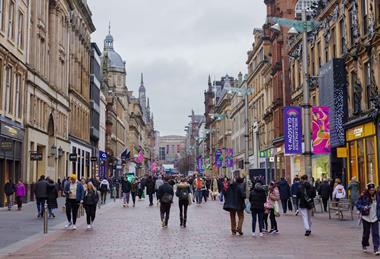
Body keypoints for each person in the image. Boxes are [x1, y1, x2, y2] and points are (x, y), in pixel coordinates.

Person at [356, 183, 380, 255]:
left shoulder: (378, 196)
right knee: (366, 233)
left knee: (375, 233)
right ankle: (364, 244)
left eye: (373, 190)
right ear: (368, 190)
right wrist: (363, 207)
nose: (372, 191)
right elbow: (358, 204)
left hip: (375, 217)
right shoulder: (364, 196)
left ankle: (376, 248)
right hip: (366, 217)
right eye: (370, 190)